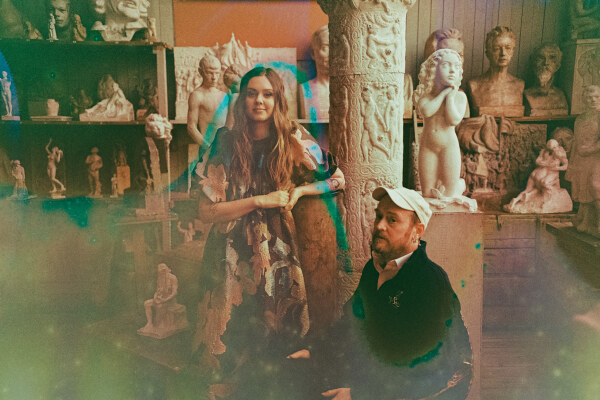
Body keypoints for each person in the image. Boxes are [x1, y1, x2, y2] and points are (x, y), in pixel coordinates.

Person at [191, 66, 345, 398]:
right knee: (234, 335)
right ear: (242, 100)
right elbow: (206, 212)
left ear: (277, 100)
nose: (259, 101)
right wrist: (260, 200)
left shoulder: (292, 137)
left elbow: (337, 179)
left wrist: (300, 191)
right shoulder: (225, 141)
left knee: (277, 335)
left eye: (267, 94)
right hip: (230, 251)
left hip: (277, 252)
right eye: (251, 94)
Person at [289, 186, 472, 399]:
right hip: (380, 374)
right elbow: (351, 322)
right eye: (379, 216)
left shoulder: (430, 281)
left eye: (392, 220)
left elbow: (431, 366)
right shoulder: (374, 269)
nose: (379, 225)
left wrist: (359, 394)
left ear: (417, 231)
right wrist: (315, 351)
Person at [414, 48, 467, 198]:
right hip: (428, 146)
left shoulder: (460, 97)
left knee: (449, 194)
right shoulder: (426, 96)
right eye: (446, 65)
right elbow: (426, 111)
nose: (452, 70)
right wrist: (443, 93)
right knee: (427, 192)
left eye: (456, 66)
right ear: (434, 70)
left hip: (448, 147)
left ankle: (458, 187)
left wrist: (450, 97)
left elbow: (453, 120)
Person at [467, 26, 524, 117]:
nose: (503, 53)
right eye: (497, 49)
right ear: (488, 54)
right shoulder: (474, 86)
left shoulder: (519, 85)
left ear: (513, 51)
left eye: (508, 48)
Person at [187, 54, 227, 148]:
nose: (214, 77)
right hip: (209, 147)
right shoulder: (197, 95)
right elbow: (191, 127)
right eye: (209, 73)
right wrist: (208, 147)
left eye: (217, 73)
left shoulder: (224, 95)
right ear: (201, 72)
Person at [524, 43, 568, 116]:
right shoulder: (526, 94)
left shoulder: (561, 95)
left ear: (557, 66)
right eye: (541, 58)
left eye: (552, 58)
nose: (546, 63)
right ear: (533, 63)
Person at [299, 25, 330, 121]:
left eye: (336, 47)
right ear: (313, 53)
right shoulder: (306, 89)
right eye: (325, 47)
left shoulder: (349, 90)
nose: (332, 53)